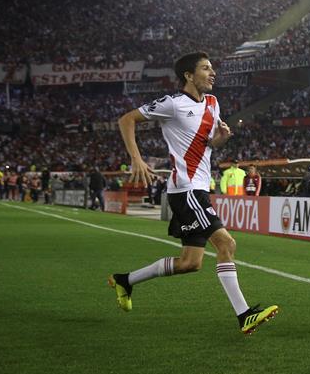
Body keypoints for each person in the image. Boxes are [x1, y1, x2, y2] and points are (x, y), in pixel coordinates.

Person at [108, 51, 278, 335]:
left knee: (190, 263)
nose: (213, 73)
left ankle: (125, 280)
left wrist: (218, 141)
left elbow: (205, 145)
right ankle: (244, 315)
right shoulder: (172, 104)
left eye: (212, 68)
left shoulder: (213, 103)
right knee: (226, 245)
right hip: (186, 189)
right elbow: (127, 120)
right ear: (188, 75)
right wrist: (136, 158)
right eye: (205, 68)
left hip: (198, 188)